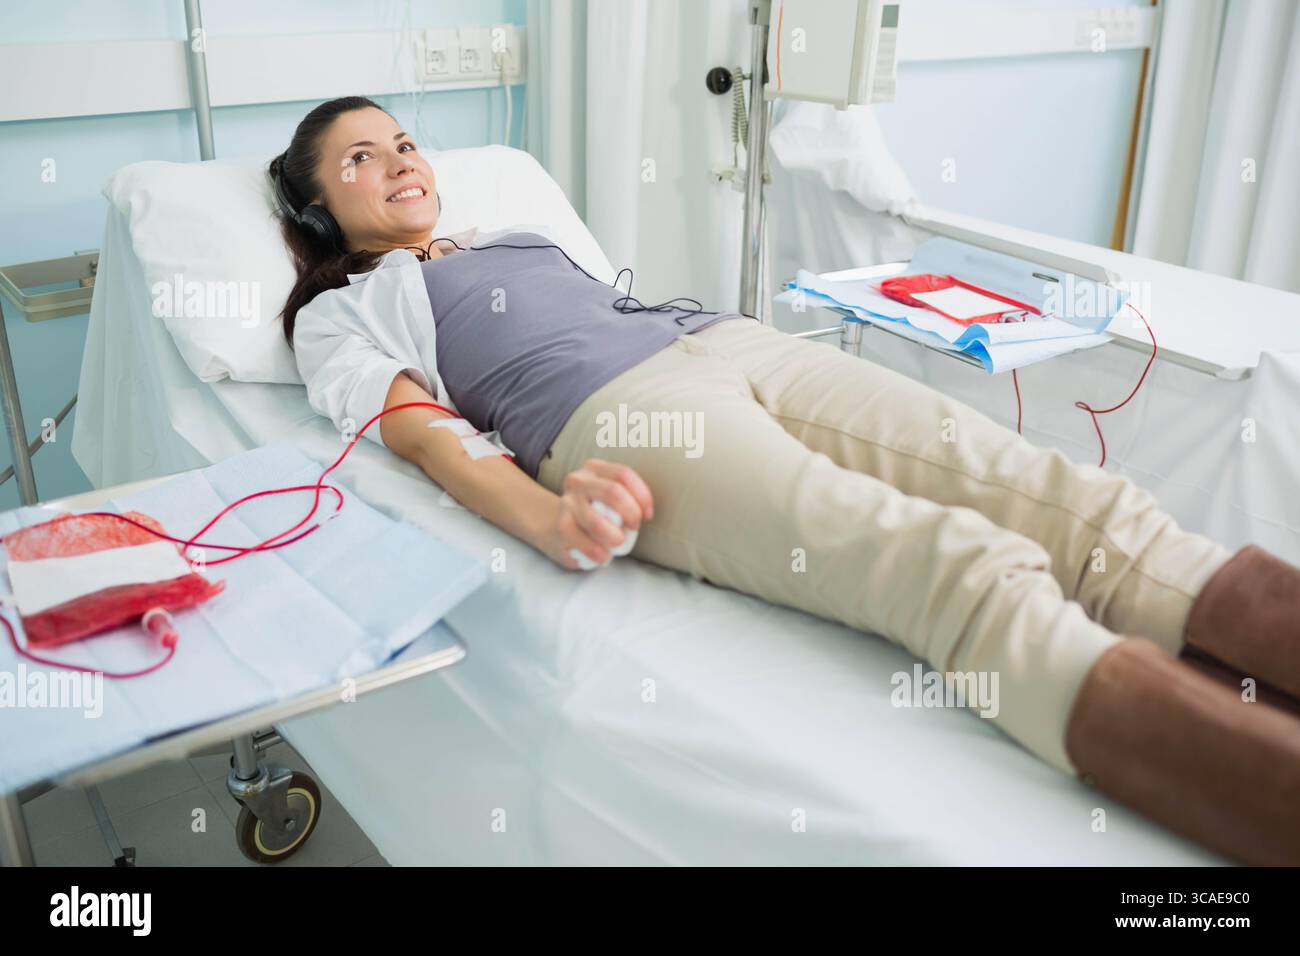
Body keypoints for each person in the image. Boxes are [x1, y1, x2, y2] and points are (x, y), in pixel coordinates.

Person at [273, 96, 1300, 865]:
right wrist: (548, 520)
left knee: (1073, 500)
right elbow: (426, 440)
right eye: (362, 157)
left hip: (738, 343)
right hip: (621, 414)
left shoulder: (512, 235)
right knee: (945, 562)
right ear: (319, 213)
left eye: (403, 141)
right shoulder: (341, 311)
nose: (399, 161)